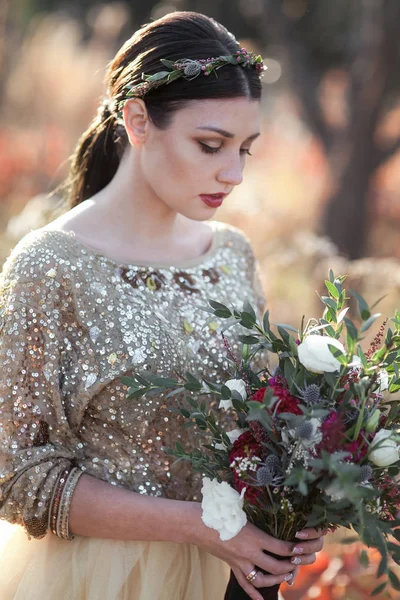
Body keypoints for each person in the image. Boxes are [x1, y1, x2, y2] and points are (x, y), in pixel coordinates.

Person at [0, 11, 325, 600]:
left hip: (231, 577)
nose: (233, 173)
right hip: (103, 580)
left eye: (245, 150)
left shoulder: (231, 255)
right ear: (138, 119)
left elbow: (256, 424)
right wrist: (198, 527)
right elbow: (15, 476)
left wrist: (300, 502)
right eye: (210, 145)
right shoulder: (49, 267)